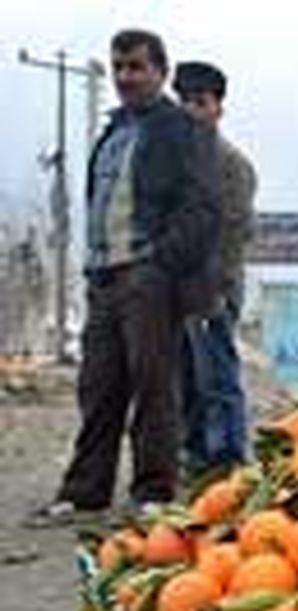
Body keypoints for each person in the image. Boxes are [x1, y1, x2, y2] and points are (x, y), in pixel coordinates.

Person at [31, 30, 220, 524]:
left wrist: (160, 264)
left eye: (136, 67)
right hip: (104, 277)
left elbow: (202, 208)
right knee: (98, 387)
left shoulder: (181, 129)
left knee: (153, 384)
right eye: (118, 67)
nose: (125, 77)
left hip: (148, 276)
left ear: (160, 71)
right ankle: (85, 491)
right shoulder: (113, 132)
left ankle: (154, 491)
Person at [172, 61, 257, 481]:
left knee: (218, 376)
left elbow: (235, 232)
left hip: (214, 290)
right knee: (186, 375)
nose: (191, 110)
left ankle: (228, 458)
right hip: (179, 290)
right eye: (183, 101)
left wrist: (215, 288)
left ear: (218, 108)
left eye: (200, 102)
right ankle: (196, 452)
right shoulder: (172, 164)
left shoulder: (231, 165)